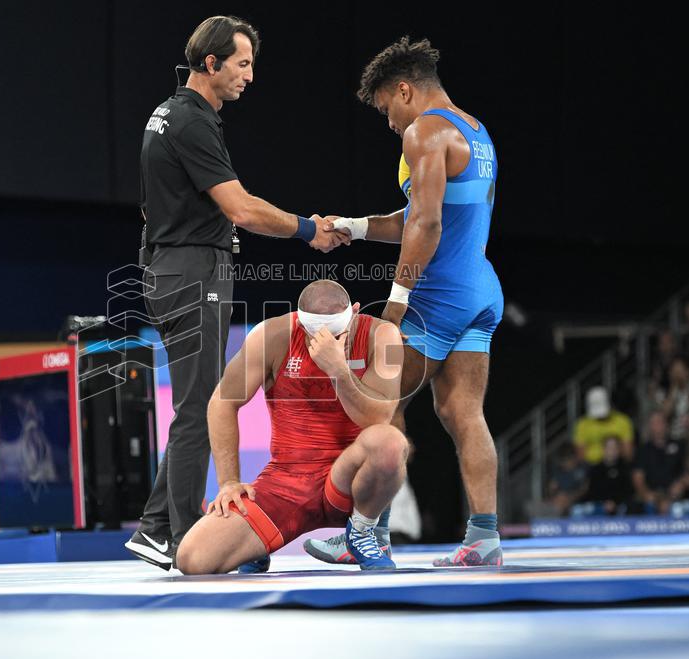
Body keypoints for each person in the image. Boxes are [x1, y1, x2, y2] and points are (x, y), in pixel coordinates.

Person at [126, 16, 345, 570]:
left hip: (172, 268)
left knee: (193, 405)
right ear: (211, 64)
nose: (250, 76)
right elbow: (242, 210)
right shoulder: (192, 122)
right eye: (243, 64)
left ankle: (154, 526)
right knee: (199, 406)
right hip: (191, 274)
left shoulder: (171, 112)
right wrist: (306, 228)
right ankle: (177, 537)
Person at [308, 36, 504, 567]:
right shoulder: (476, 131)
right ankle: (484, 540)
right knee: (464, 412)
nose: (390, 124)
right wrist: (351, 226)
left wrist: (397, 302)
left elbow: (427, 222)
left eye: (386, 110)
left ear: (404, 90)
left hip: (435, 299)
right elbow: (413, 218)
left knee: (378, 405)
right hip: (480, 290)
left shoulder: (423, 131)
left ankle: (367, 534)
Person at [174, 280, 408, 573]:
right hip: (288, 482)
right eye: (315, 334)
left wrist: (338, 370)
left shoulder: (381, 334)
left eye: (336, 333)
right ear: (300, 321)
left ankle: (359, 532)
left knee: (389, 442)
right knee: (192, 559)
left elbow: (378, 419)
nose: (325, 340)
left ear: (356, 312)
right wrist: (229, 482)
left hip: (350, 480)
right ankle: (255, 546)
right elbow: (222, 402)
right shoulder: (273, 334)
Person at [632, 412, 685, 514]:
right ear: (650, 427)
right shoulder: (643, 450)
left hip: (675, 494)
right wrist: (647, 495)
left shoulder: (679, 446)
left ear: (666, 425)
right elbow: (637, 478)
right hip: (652, 494)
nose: (658, 427)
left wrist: (679, 487)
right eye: (654, 423)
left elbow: (686, 472)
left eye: (660, 422)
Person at [573, 386, 636, 464]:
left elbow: (628, 452)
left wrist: (611, 457)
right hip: (591, 466)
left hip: (617, 464)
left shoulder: (623, 421)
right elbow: (580, 455)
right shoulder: (582, 424)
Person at [582, 436, 634, 515]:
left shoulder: (625, 468)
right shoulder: (595, 469)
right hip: (599, 505)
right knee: (582, 509)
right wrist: (603, 503)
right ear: (603, 449)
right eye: (609, 447)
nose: (612, 450)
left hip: (620, 506)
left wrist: (615, 503)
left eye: (615, 447)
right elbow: (592, 491)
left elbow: (628, 491)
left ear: (619, 450)